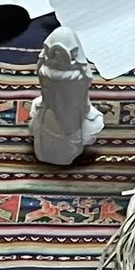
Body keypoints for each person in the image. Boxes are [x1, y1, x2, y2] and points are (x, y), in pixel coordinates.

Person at [32, 26, 104, 165]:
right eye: (48, 88)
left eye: (65, 92)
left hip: (73, 119)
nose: (57, 97)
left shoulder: (91, 121)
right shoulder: (38, 112)